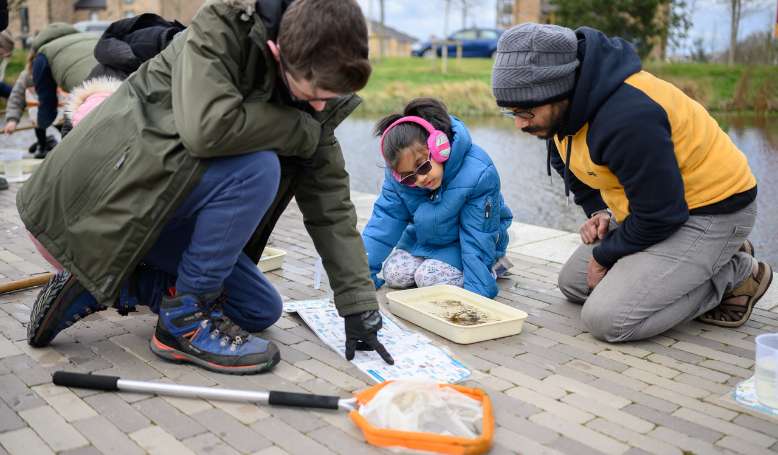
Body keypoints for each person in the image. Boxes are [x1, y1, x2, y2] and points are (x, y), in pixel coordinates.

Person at [20, 0, 393, 375]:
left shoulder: (316, 88)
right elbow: (207, 129)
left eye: (329, 99)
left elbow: (330, 206)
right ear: (278, 53)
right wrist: (299, 131)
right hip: (99, 203)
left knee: (260, 310)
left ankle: (109, 282)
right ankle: (183, 321)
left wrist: (358, 304)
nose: (318, 107)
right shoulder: (219, 31)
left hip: (160, 210)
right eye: (313, 94)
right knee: (259, 168)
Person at [491, 23, 769, 342]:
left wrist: (603, 255)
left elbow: (661, 214)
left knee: (609, 319)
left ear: (559, 90)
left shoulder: (628, 118)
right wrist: (598, 211)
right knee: (574, 284)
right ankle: (703, 259)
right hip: (658, 208)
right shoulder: (563, 112)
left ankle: (738, 273)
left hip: (712, 210)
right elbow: (563, 159)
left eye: (525, 111)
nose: (519, 124)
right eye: (511, 112)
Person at [362, 98, 513, 298]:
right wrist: (362, 277)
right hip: (425, 240)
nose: (420, 178)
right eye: (409, 177)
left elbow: (478, 235)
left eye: (422, 166)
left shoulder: (478, 173)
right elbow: (383, 224)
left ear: (439, 147)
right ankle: (436, 267)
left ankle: (494, 267)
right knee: (394, 274)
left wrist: (478, 293)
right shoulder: (397, 180)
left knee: (429, 278)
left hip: (464, 243)